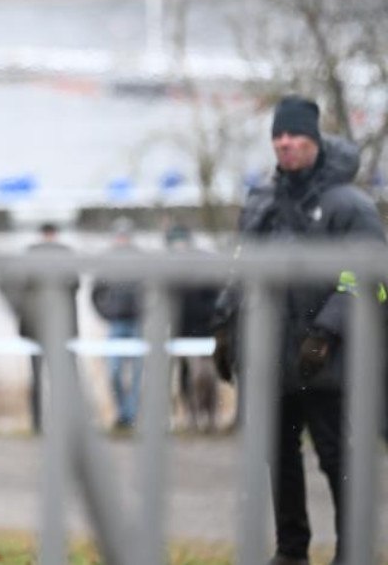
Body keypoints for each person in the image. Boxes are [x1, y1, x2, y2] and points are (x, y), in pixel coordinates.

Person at [212, 96, 385, 565]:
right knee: (279, 457)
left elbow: (368, 278)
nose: (285, 143)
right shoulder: (261, 202)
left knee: (337, 459)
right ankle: (291, 551)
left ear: (315, 140)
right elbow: (241, 267)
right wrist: (225, 326)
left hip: (327, 363)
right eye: (278, 135)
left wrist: (327, 331)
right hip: (270, 358)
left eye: (294, 135)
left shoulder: (349, 206)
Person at [0, 222, 78, 433]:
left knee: (46, 378)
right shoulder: (65, 255)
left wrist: (19, 309)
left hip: (44, 325)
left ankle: (42, 424)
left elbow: (7, 283)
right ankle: (51, 423)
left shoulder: (31, 255)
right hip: (52, 326)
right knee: (56, 378)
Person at [164, 224, 220, 432]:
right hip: (183, 331)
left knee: (207, 376)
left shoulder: (204, 269)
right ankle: (192, 416)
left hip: (205, 331)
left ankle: (210, 417)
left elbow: (215, 298)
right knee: (188, 376)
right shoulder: (172, 272)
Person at [91, 216, 143, 430]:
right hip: (116, 324)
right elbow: (96, 294)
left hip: (138, 324)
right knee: (114, 372)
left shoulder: (142, 261)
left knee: (138, 375)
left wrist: (145, 313)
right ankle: (123, 414)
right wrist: (107, 313)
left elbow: (153, 292)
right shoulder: (106, 261)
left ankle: (131, 416)